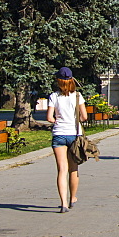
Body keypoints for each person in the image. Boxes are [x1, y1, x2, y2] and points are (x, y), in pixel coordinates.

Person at [46, 67, 87, 213]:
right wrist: (76, 120)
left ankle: (63, 203)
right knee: (73, 169)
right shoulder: (77, 96)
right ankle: (72, 198)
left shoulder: (53, 97)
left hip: (59, 135)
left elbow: (50, 117)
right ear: (71, 80)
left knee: (61, 170)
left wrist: (57, 120)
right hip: (74, 134)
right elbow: (84, 117)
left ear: (58, 81)